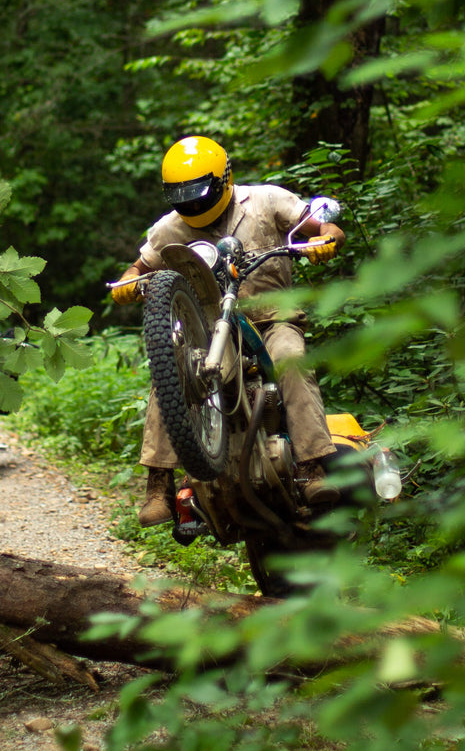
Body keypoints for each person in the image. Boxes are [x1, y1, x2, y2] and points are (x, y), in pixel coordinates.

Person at [111, 135, 345, 526]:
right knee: (172, 371)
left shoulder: (267, 200)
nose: (193, 204)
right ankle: (158, 487)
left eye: (199, 193)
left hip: (273, 320)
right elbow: (135, 269)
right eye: (183, 196)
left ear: (224, 179)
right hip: (211, 334)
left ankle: (311, 468)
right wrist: (130, 285)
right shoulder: (171, 228)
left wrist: (326, 239)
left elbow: (323, 226)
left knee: (290, 359)